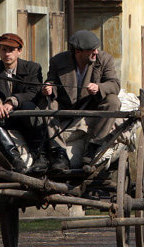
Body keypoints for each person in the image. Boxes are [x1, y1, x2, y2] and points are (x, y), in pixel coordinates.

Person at [40, 30, 121, 173]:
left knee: (113, 101)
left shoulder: (104, 59)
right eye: (91, 50)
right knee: (46, 104)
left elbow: (114, 84)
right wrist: (49, 88)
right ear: (78, 51)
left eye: (96, 49)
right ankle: (59, 152)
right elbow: (51, 81)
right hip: (67, 106)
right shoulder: (58, 61)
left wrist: (99, 87)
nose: (95, 52)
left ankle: (94, 145)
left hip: (93, 105)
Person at [0, 33, 44, 173]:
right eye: (3, 50)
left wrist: (13, 101)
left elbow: (34, 91)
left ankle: (40, 155)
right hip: (4, 120)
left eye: (11, 50)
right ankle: (15, 160)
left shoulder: (32, 68)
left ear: (19, 51)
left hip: (27, 120)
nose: (7, 54)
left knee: (29, 107)